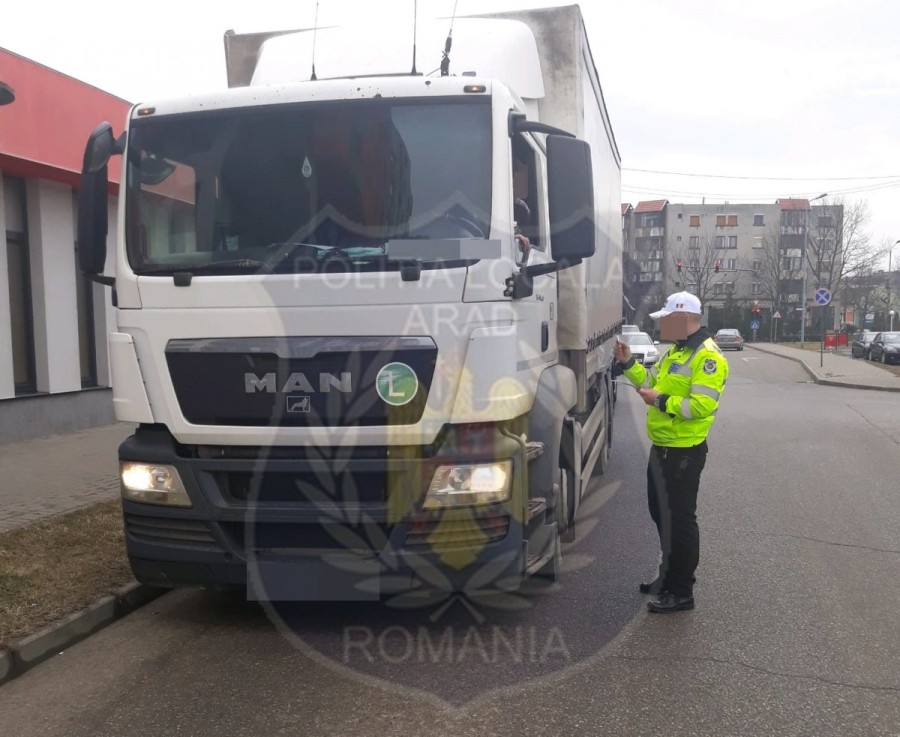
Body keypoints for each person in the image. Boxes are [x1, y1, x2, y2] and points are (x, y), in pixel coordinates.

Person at [613, 291, 729, 613]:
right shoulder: (676, 352)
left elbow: (704, 405)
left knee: (680, 521)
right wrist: (628, 364)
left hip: (683, 452)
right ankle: (668, 577)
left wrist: (661, 402)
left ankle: (681, 591)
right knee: (661, 515)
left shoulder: (707, 357)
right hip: (662, 447)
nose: (663, 325)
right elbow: (650, 380)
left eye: (666, 320)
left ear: (683, 318)